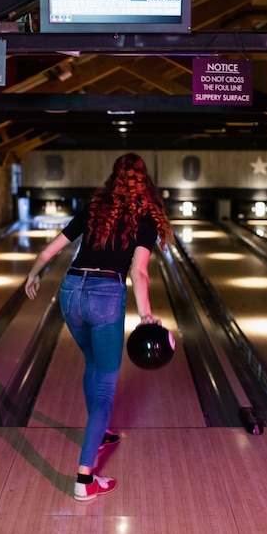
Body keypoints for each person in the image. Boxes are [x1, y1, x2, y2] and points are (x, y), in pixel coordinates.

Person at [25, 153, 172, 501]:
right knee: (105, 387)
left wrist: (33, 274)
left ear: (113, 179)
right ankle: (84, 480)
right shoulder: (146, 218)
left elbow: (52, 250)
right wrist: (147, 315)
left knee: (92, 363)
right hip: (106, 296)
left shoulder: (95, 209)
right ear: (144, 181)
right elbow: (138, 272)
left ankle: (99, 432)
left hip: (70, 292)